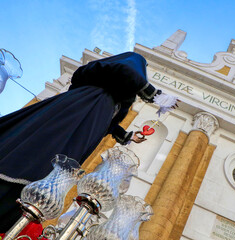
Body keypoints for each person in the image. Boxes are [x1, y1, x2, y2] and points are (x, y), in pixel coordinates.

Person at [0, 52, 178, 231]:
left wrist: (128, 136)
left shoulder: (114, 100)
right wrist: (154, 93)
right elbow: (125, 70)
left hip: (86, 131)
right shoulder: (107, 85)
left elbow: (109, 124)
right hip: (77, 113)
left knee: (51, 169)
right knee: (42, 151)